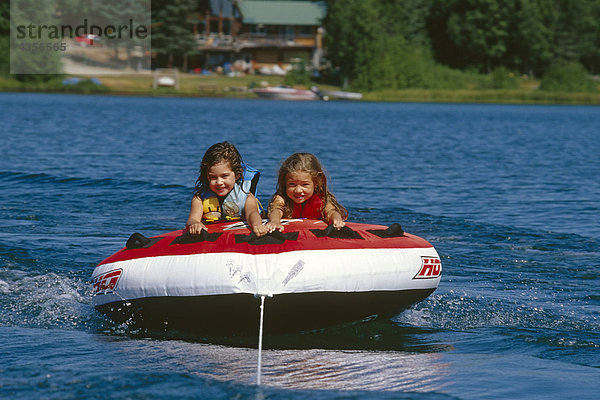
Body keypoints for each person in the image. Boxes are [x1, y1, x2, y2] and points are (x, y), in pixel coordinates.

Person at [186, 142, 267, 236]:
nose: (219, 182)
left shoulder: (246, 196)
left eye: (224, 176)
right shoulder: (199, 198)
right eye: (213, 177)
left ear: (237, 175)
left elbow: (252, 213)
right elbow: (192, 219)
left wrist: (257, 224)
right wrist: (194, 224)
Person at [265, 153, 347, 233]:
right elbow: (276, 210)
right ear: (284, 183)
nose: (298, 190)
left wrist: (336, 219)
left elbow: (331, 211)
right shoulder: (282, 198)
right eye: (292, 184)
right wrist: (275, 221)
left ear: (316, 184)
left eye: (305, 184)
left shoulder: (322, 199)